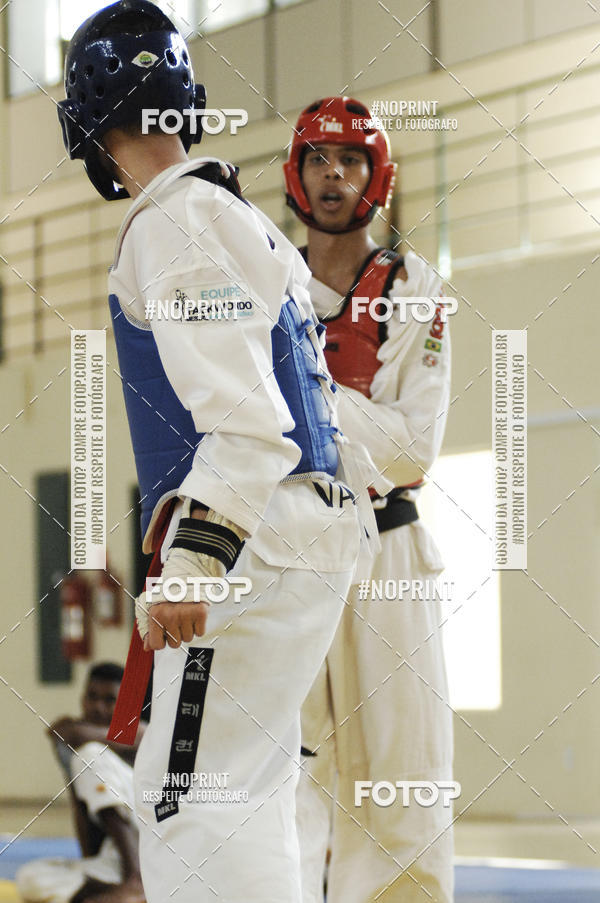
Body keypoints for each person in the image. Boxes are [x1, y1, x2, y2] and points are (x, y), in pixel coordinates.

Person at [56, 7, 374, 903]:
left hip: (251, 535)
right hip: (300, 528)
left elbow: (246, 422)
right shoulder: (233, 218)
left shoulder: (178, 224)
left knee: (191, 803)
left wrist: (196, 559)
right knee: (250, 789)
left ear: (86, 121)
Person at [284, 97, 455, 902]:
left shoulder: (414, 287)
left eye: (349, 160)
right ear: (296, 172)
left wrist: (307, 395)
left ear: (375, 176)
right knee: (284, 770)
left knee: (401, 771)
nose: (332, 174)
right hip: (287, 550)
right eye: (318, 157)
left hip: (386, 551)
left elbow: (410, 449)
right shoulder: (267, 289)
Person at [16, 662, 145, 903]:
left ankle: (136, 882)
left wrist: (74, 734)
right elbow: (90, 847)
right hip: (115, 859)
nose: (97, 707)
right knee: (30, 878)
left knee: (89, 754)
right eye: (91, 696)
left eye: (109, 700)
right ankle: (132, 890)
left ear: (127, 706)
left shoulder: (143, 732)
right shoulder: (81, 748)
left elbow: (75, 733)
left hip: (153, 850)